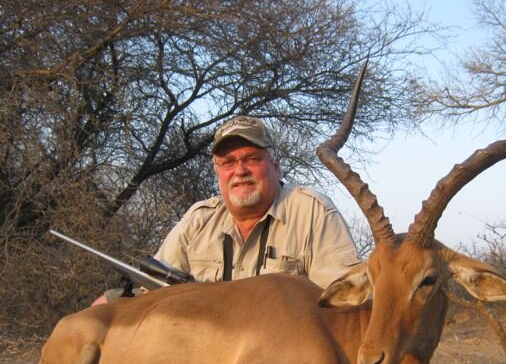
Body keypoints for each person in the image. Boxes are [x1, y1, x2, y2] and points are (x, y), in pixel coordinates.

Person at [96, 116, 361, 304]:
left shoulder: (313, 211)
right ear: (217, 172)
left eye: (252, 159)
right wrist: (111, 303)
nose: (240, 171)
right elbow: (148, 292)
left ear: (276, 166)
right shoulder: (199, 219)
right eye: (228, 162)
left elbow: (345, 300)